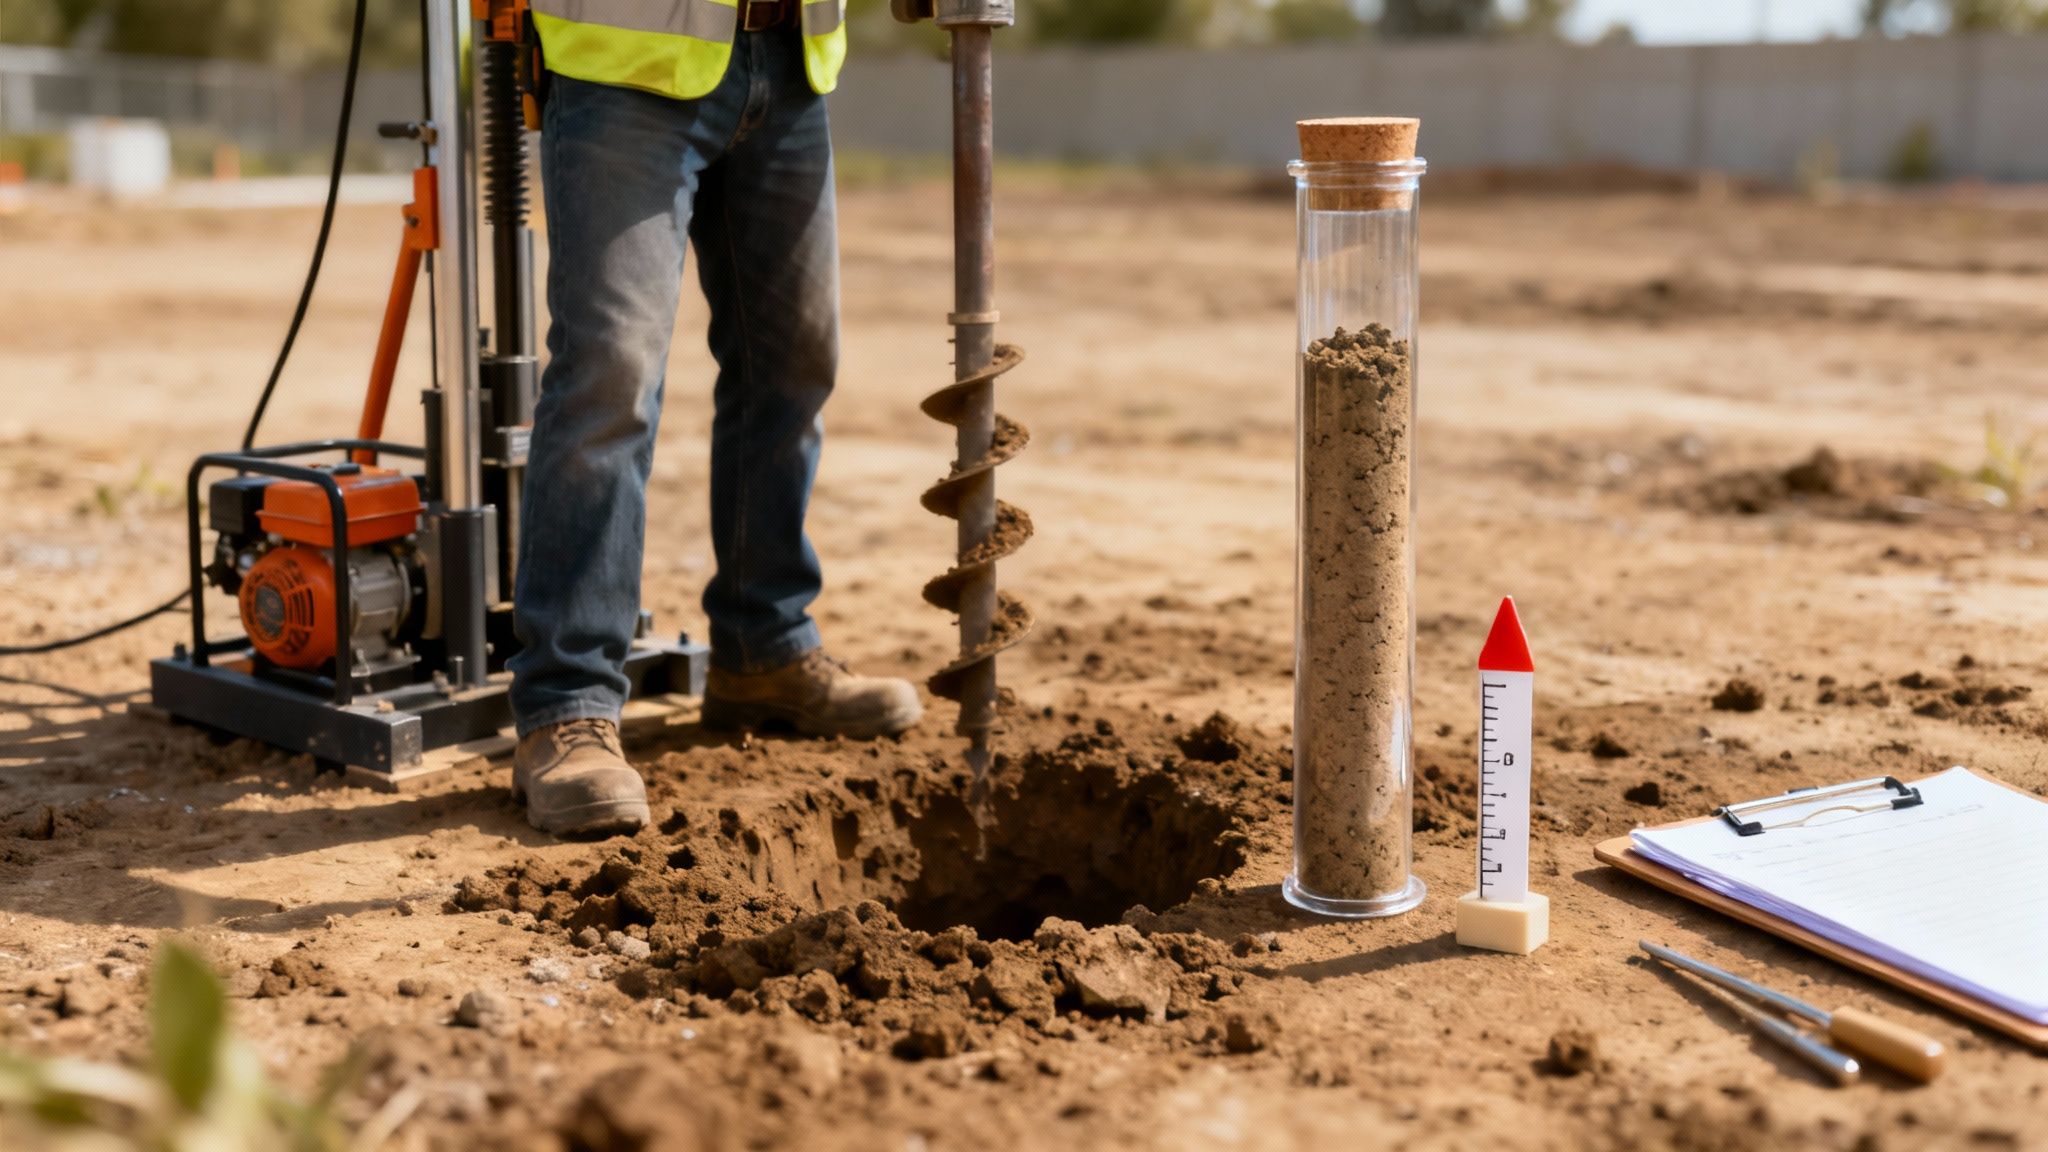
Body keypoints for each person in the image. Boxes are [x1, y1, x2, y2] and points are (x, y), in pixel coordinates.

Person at [507, 0, 921, 838]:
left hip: (789, 60)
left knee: (795, 359)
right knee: (610, 376)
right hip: (627, 61)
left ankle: (761, 643)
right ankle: (567, 702)